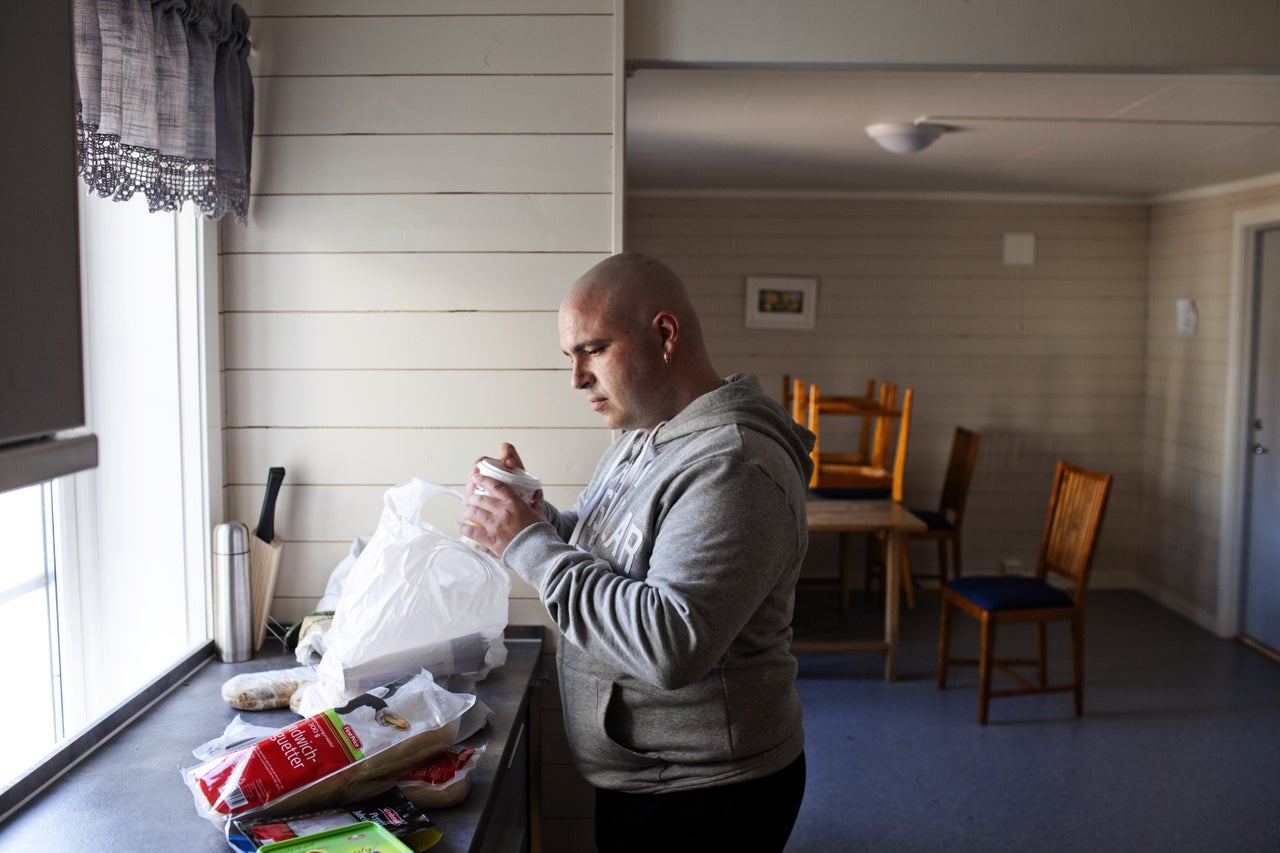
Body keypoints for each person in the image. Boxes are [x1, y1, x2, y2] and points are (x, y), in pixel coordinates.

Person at [460, 252, 814, 852]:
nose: (576, 377)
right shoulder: (642, 434)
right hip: (648, 778)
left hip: (707, 795)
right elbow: (607, 547)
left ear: (665, 335)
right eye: (570, 356)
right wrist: (535, 515)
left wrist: (528, 542)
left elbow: (670, 642)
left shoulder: (734, 463)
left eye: (593, 349)